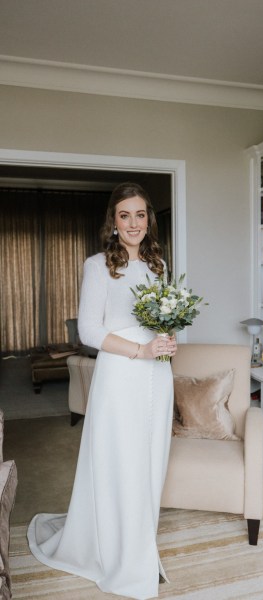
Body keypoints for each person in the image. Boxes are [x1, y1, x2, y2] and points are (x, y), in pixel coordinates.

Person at [27, 182, 177, 599]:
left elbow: (163, 315)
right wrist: (141, 349)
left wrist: (166, 337)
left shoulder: (159, 264)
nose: (133, 223)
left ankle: (140, 545)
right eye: (125, 215)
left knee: (151, 459)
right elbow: (90, 330)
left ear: (150, 219)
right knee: (119, 460)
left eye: (141, 215)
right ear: (113, 220)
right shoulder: (97, 265)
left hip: (158, 375)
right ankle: (118, 554)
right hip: (121, 373)